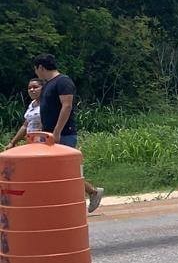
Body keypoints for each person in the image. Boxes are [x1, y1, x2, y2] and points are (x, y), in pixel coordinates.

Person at [32, 54, 105, 213]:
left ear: (41, 67)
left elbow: (66, 106)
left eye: (36, 69)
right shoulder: (47, 85)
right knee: (52, 170)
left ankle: (91, 193)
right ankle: (61, 201)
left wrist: (57, 131)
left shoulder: (63, 81)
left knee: (66, 171)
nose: (36, 73)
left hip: (63, 133)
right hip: (48, 134)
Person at [6, 78, 45, 150]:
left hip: (44, 142)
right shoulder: (32, 104)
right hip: (31, 141)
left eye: (35, 87)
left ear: (43, 88)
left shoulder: (48, 103)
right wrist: (12, 142)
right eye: (29, 88)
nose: (32, 90)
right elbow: (25, 125)